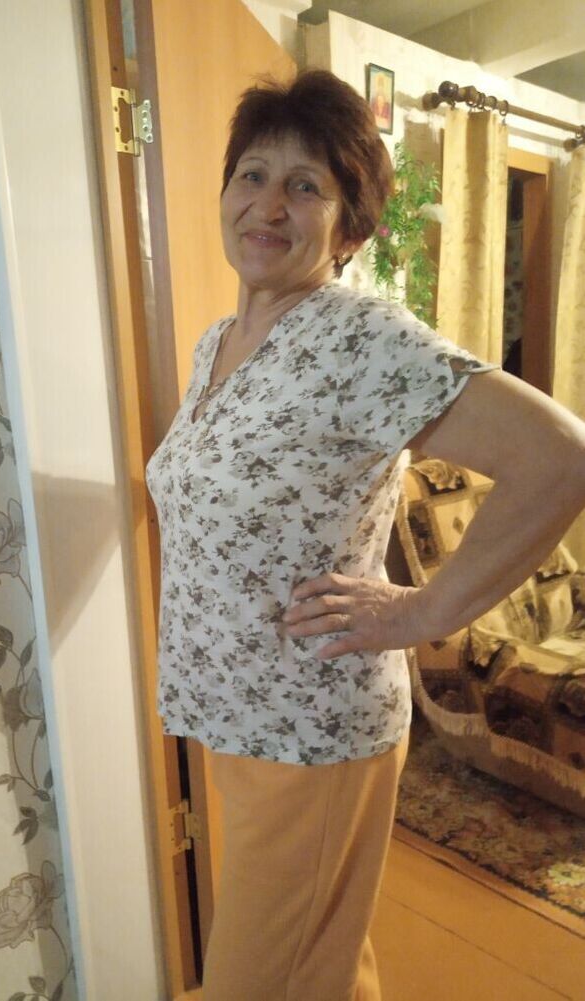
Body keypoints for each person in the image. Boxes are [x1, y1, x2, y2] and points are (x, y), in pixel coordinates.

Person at [144, 69, 585, 1001]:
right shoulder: (218, 342)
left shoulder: (359, 340)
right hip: (237, 715)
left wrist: (425, 611)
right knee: (323, 965)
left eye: (305, 185)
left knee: (259, 981)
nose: (269, 204)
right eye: (253, 174)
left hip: (311, 727)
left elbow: (561, 458)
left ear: (347, 230)